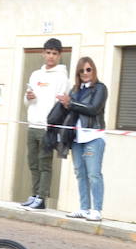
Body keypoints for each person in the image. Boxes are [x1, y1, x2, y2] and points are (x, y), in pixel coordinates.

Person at [58, 56, 108, 222]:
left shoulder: (100, 88)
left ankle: (97, 209)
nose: (85, 73)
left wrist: (70, 103)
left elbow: (93, 109)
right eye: (82, 71)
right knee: (80, 173)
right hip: (77, 138)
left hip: (94, 136)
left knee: (94, 174)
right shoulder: (75, 90)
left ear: (93, 70)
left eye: (88, 69)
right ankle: (84, 208)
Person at [20, 38, 69, 210]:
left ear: (59, 55)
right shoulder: (35, 75)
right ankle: (34, 195)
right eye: (48, 52)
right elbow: (27, 101)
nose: (51, 57)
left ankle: (41, 198)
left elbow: (60, 106)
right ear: (43, 53)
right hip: (32, 125)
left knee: (44, 164)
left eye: (54, 53)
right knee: (33, 163)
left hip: (47, 127)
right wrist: (28, 97)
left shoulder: (62, 77)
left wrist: (53, 126)